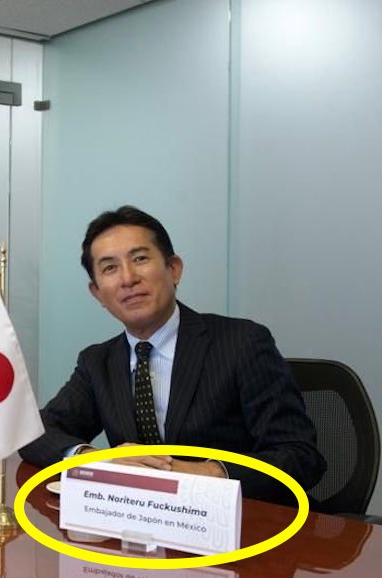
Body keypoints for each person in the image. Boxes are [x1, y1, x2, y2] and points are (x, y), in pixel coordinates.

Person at [18, 206, 324, 504]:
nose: (127, 278)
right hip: (139, 523)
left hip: (240, 522)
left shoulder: (242, 343)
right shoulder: (98, 362)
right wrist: (97, 461)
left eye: (139, 259)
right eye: (110, 268)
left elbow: (300, 455)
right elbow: (35, 433)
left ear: (174, 269)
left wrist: (208, 473)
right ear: (97, 293)